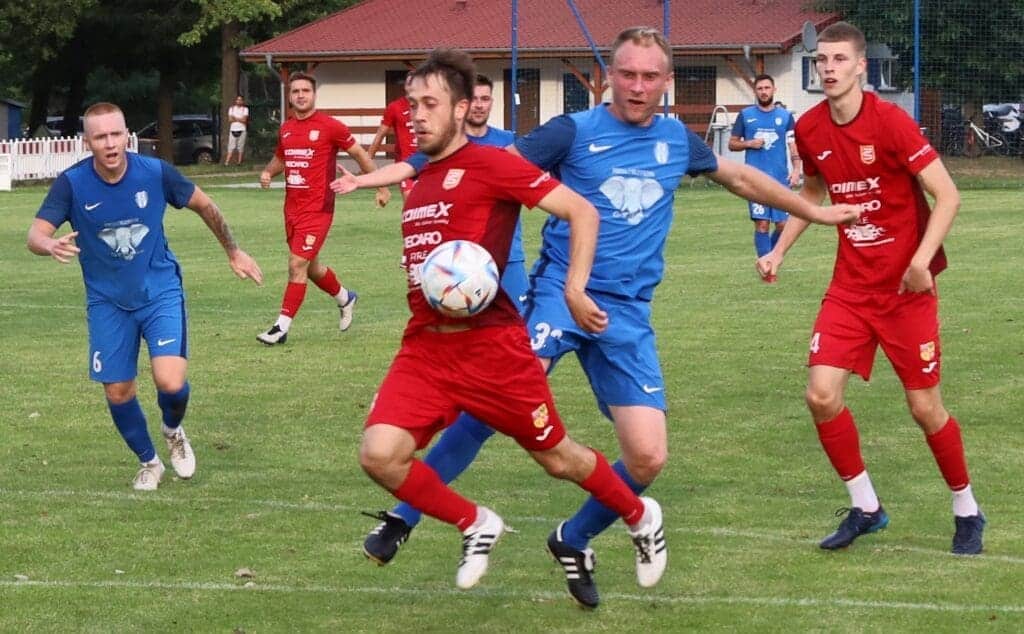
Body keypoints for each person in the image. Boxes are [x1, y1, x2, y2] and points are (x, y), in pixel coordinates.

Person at [342, 27, 860, 608]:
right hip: (561, 300)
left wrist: (811, 212)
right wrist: (403, 173)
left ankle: (575, 537)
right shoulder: (571, 131)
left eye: (649, 77)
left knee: (648, 456)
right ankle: (404, 517)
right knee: (485, 407)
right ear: (608, 76)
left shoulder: (676, 139)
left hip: (628, 314)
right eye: (626, 74)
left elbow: (740, 176)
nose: (637, 87)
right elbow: (481, 164)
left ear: (667, 83)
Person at [334, 48, 668, 595]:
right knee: (379, 454)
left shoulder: (495, 164)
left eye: (429, 104)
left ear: (462, 108)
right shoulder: (420, 178)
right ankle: (476, 523)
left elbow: (583, 211)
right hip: (425, 347)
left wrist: (574, 286)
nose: (415, 115)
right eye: (411, 104)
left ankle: (638, 516)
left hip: (493, 350)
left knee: (558, 460)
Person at [756, 21, 985, 555]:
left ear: (861, 66)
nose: (829, 69)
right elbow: (814, 191)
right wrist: (779, 250)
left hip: (906, 291)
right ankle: (866, 507)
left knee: (925, 408)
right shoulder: (809, 128)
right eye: (822, 61)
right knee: (820, 395)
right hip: (850, 291)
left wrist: (920, 263)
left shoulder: (892, 124)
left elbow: (947, 196)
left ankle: (967, 510)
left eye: (840, 60)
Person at [26, 102, 263, 490]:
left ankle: (173, 430)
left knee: (170, 383)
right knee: (119, 390)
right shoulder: (72, 183)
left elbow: (205, 204)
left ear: (127, 136)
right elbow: (34, 235)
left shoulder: (154, 172)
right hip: (107, 302)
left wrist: (233, 250)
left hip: (160, 292)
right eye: (100, 136)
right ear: (88, 142)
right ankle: (149, 462)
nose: (110, 143)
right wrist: (48, 245)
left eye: (116, 134)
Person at [359, 73, 531, 558]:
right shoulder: (437, 152)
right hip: (450, 291)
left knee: (485, 412)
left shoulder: (508, 148)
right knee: (473, 412)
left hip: (508, 285)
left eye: (484, 99)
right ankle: (406, 515)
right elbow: (407, 171)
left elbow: (554, 189)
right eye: (471, 98)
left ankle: (412, 512)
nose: (478, 106)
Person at [256, 71, 389, 345]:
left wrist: (380, 185)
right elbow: (281, 158)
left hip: (319, 209)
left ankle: (280, 327)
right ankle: (345, 297)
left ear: (314, 95)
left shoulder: (331, 126)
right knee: (311, 267)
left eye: (305, 90)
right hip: (292, 209)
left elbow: (360, 154)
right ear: (290, 96)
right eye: (296, 92)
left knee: (296, 264)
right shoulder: (287, 128)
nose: (301, 95)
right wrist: (268, 173)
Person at [728, 74, 801, 276]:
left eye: (767, 88)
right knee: (762, 224)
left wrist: (796, 170)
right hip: (754, 181)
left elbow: (793, 145)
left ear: (774, 90)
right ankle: (767, 268)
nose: (764, 91)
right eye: (760, 88)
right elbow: (732, 143)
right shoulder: (746, 115)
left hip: (779, 180)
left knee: (782, 224)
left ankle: (770, 256)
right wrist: (749, 143)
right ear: (755, 91)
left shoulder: (785, 117)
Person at [366, 72, 419, 201]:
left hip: (429, 162)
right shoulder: (395, 107)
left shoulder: (430, 105)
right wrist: (366, 161)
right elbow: (380, 136)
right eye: (409, 83)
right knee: (410, 200)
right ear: (405, 86)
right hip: (406, 164)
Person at [224, 95, 249, 166]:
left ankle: (239, 162)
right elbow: (230, 119)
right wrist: (239, 119)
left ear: (242, 101)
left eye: (240, 100)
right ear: (236, 101)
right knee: (231, 146)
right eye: (238, 100)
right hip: (233, 129)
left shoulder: (245, 109)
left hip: (242, 129)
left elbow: (244, 120)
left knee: (240, 146)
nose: (239, 101)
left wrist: (235, 118)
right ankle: (227, 162)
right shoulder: (231, 109)